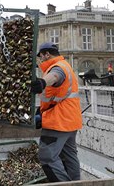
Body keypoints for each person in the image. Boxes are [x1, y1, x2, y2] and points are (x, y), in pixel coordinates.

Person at [31, 42, 83, 182]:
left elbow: (55, 77)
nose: (41, 59)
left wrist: (42, 82)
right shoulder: (66, 65)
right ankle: (76, 183)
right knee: (69, 156)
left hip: (58, 122)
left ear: (47, 54)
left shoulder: (57, 67)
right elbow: (57, 95)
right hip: (71, 121)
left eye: (41, 56)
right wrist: (41, 111)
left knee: (47, 157)